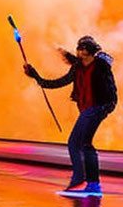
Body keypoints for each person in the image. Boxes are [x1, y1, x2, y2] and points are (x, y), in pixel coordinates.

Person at [24, 35, 117, 197]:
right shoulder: (77, 68)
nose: (80, 52)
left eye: (82, 49)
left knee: (75, 143)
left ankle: (80, 179)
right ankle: (93, 185)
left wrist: (106, 108)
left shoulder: (101, 67)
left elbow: (111, 90)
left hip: (98, 108)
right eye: (78, 50)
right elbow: (56, 83)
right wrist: (36, 76)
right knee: (86, 144)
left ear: (90, 52)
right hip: (88, 109)